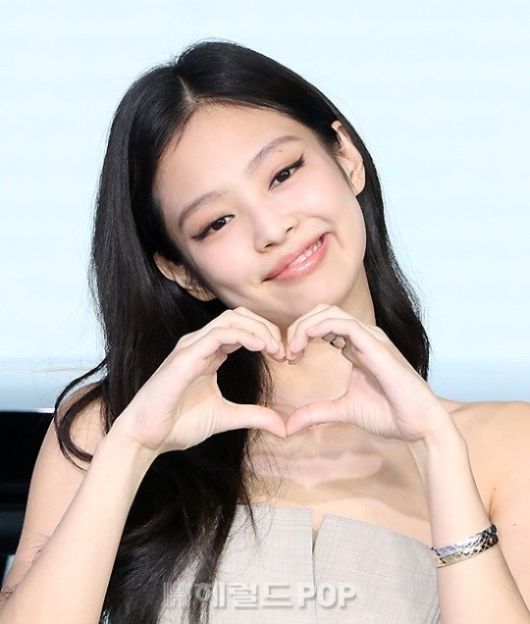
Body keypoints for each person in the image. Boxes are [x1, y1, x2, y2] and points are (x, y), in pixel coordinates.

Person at [1, 39, 529, 624]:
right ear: (183, 271)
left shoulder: (504, 445)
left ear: (346, 157)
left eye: (282, 173)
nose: (272, 228)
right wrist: (131, 449)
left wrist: (436, 449)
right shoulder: (107, 429)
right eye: (217, 222)